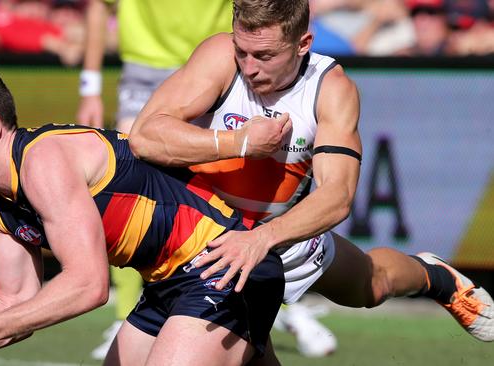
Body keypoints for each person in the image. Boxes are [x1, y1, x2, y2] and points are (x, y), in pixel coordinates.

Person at [128, 0, 494, 360]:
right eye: (243, 52)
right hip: (203, 235)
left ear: (303, 44)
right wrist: (239, 143)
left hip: (278, 235)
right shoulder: (220, 56)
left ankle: (437, 278)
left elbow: (337, 195)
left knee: (373, 283)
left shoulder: (331, 89)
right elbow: (145, 136)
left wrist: (262, 239)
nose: (250, 68)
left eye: (265, 56)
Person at [0, 61, 285, 366]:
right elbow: (15, 302)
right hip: (167, 284)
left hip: (226, 263)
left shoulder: (42, 161)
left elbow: (88, 286)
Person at [78, 0, 337, 358]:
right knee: (137, 188)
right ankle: (127, 311)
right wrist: (89, 84)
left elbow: (267, 12)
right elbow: (98, 6)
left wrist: (250, 50)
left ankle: (287, 308)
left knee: (371, 280)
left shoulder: (319, 80)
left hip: (228, 53)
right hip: (148, 65)